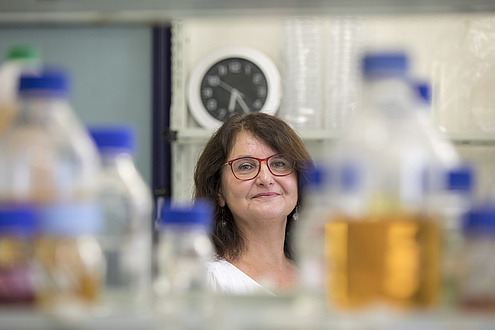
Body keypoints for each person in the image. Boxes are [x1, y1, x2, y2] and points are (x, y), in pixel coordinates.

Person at [194, 113, 313, 295]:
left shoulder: (317, 275)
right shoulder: (209, 280)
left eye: (279, 163)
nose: (265, 179)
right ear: (219, 191)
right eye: (246, 166)